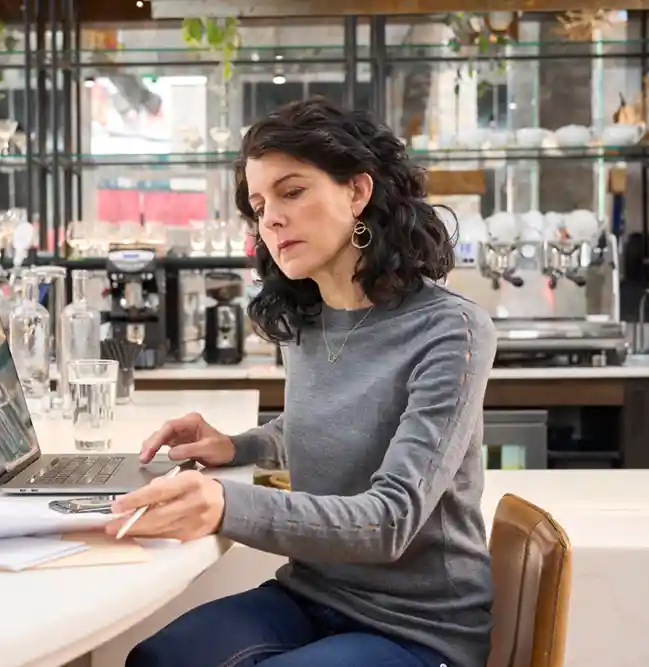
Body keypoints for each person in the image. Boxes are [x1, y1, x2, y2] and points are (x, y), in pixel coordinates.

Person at [104, 97, 497, 667]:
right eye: (259, 206)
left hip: (417, 627)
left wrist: (224, 504)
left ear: (356, 192)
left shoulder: (451, 329)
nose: (271, 220)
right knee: (157, 659)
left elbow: (391, 520)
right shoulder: (308, 321)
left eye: (291, 192)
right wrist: (236, 446)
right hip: (313, 592)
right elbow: (332, 423)